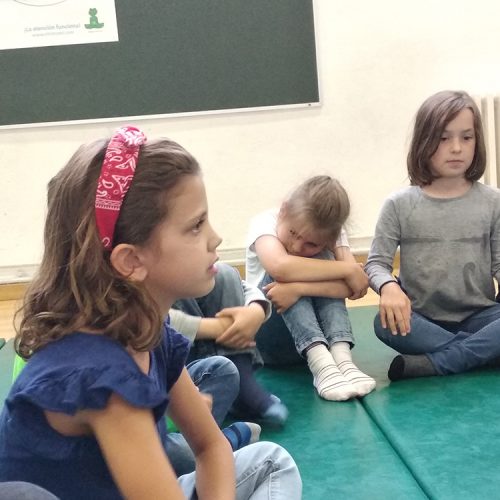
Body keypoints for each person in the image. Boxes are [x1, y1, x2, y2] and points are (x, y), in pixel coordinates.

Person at [0, 126, 302, 499]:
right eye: (196, 226)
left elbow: (212, 447)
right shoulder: (103, 378)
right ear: (131, 260)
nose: (215, 238)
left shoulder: (148, 331)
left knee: (270, 461)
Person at [365, 90, 500, 381]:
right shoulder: (399, 204)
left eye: (466, 137)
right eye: (443, 138)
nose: (456, 148)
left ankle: (440, 362)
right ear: (424, 141)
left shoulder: (493, 201)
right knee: (383, 323)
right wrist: (389, 287)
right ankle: (483, 354)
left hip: (482, 316)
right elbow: (375, 264)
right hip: (421, 320)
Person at [246, 175, 376, 401]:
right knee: (292, 270)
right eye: (293, 233)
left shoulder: (330, 234)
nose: (297, 246)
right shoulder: (264, 222)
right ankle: (321, 365)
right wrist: (347, 269)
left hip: (317, 341)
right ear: (284, 211)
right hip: (268, 342)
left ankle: (342, 360)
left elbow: (354, 288)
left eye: (311, 243)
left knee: (320, 260)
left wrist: (298, 290)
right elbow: (280, 267)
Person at [171, 262, 289, 426]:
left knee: (225, 273)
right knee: (175, 284)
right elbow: (160, 320)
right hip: (174, 369)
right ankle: (239, 390)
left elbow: (242, 285)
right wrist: (226, 327)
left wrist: (256, 309)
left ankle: (241, 382)